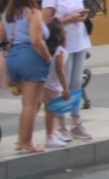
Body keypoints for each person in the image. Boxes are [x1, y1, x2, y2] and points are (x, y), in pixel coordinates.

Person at [41, 0, 92, 140]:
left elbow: (80, 10)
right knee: (62, 85)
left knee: (76, 83)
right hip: (62, 46)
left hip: (79, 41)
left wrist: (82, 16)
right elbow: (46, 23)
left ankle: (76, 122)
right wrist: (69, 19)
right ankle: (61, 124)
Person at [0, 0, 52, 153]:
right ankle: (26, 145)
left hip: (13, 59)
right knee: (31, 104)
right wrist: (48, 58)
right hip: (31, 59)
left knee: (31, 103)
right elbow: (36, 41)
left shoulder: (8, 13)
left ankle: (21, 141)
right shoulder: (33, 13)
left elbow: (3, 39)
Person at [43, 19, 71, 148]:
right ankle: (50, 137)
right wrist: (65, 88)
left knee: (49, 111)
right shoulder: (59, 50)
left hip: (45, 84)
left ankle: (52, 132)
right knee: (51, 112)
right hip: (53, 86)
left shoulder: (47, 48)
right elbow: (60, 70)